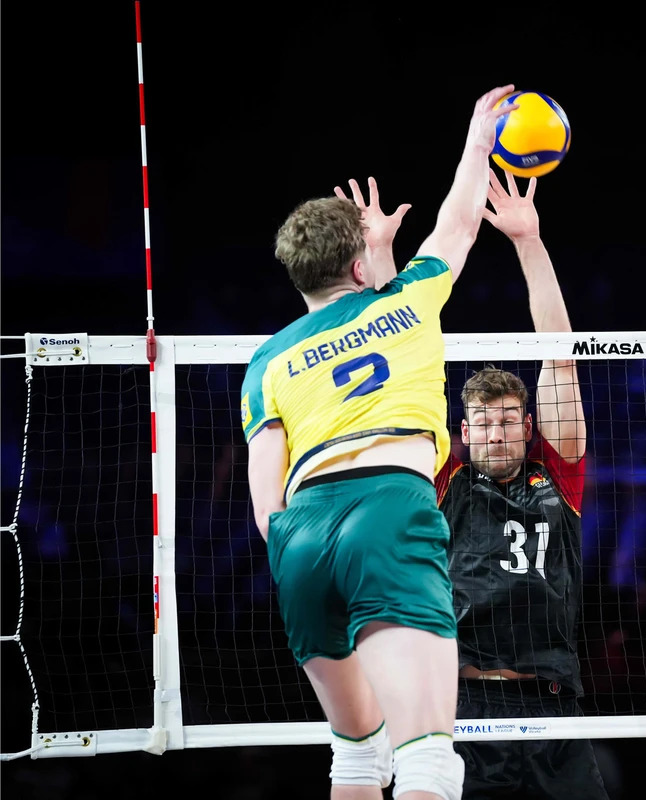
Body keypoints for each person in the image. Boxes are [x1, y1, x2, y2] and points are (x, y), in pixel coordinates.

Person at [241, 84, 516, 800]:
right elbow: (459, 223)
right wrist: (477, 136)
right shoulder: (408, 297)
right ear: (362, 267)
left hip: (300, 537)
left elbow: (263, 500)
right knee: (427, 759)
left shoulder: (266, 361)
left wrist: (302, 541)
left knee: (359, 758)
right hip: (389, 508)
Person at [434, 169, 608, 799]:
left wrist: (528, 241)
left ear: (527, 424)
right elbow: (405, 354)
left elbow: (559, 352)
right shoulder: (445, 475)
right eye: (484, 420)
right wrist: (377, 258)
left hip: (552, 701)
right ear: (464, 430)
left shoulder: (555, 472)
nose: (497, 430)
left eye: (509, 418)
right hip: (465, 702)